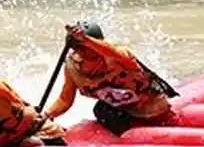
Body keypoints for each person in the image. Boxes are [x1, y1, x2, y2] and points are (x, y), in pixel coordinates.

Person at [42, 20, 177, 134]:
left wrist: (86, 40)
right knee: (102, 110)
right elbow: (65, 100)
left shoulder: (119, 56)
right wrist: (46, 115)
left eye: (85, 46)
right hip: (121, 114)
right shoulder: (73, 67)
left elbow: (111, 51)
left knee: (103, 110)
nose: (82, 51)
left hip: (150, 108)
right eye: (77, 47)